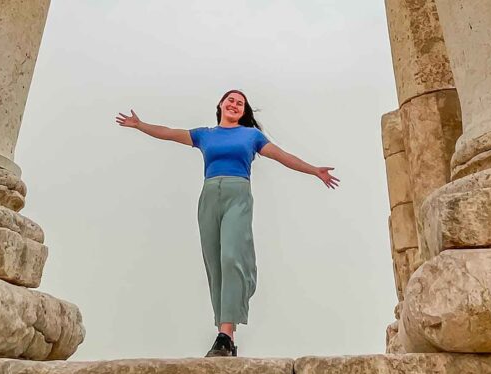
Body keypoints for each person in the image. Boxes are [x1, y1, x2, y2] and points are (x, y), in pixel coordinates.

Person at [116, 89, 339, 357]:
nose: (234, 104)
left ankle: (226, 333)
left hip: (238, 195)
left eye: (240, 103)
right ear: (220, 105)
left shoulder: (251, 136)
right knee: (215, 264)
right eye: (230, 100)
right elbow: (169, 132)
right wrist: (140, 125)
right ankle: (225, 339)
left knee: (232, 256)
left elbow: (282, 155)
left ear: (244, 112)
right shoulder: (205, 135)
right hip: (209, 197)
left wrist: (314, 170)